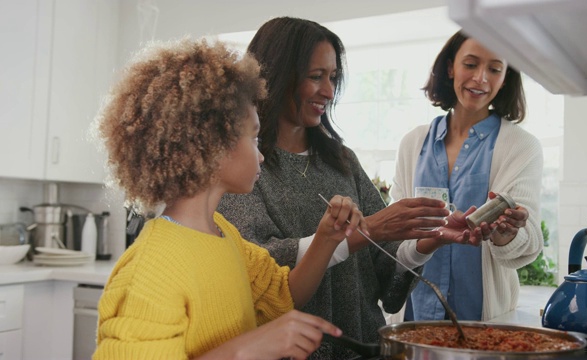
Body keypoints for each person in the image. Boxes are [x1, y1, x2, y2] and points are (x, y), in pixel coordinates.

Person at [92, 37, 369, 359]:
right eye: (253, 136)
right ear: (212, 146)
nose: (262, 155)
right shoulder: (148, 269)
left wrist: (326, 239)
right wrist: (244, 350)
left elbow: (283, 295)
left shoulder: (223, 234)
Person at [217, 17, 461, 359]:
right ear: (275, 75)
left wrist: (425, 240)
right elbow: (256, 269)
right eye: (316, 77)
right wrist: (366, 230)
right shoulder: (242, 167)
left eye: (333, 78)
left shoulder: (342, 161)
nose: (329, 92)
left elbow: (386, 270)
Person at [391, 30, 544, 322]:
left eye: (494, 69)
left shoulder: (521, 147)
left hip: (484, 323)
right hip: (412, 318)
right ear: (451, 68)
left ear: (505, 77)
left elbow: (529, 242)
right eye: (471, 64)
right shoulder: (412, 144)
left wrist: (508, 232)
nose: (480, 78)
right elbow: (396, 237)